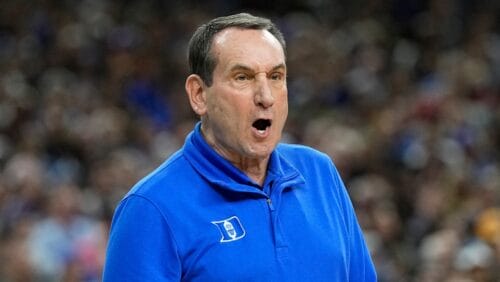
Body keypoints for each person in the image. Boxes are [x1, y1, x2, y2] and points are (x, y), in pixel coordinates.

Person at [102, 12, 377, 281]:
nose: (265, 96)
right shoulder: (151, 208)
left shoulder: (319, 172)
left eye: (276, 76)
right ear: (199, 95)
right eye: (242, 77)